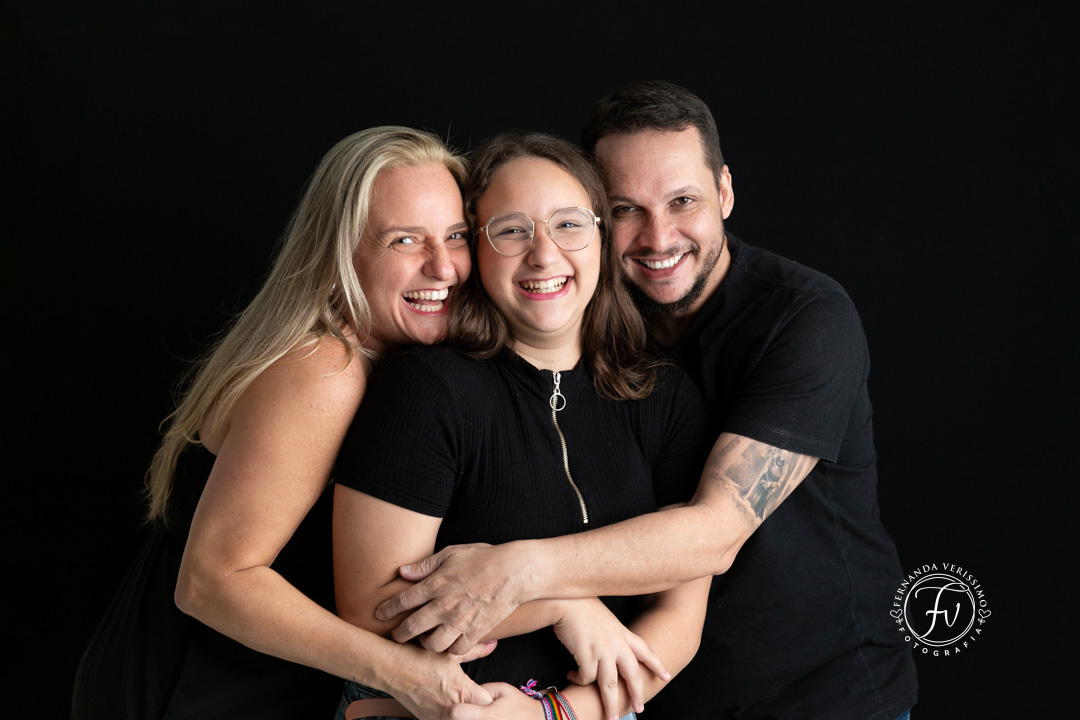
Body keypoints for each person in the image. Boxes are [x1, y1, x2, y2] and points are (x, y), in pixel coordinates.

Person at [371, 82, 919, 720]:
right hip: (651, 693)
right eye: (627, 209)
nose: (659, 237)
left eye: (683, 200)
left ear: (725, 192)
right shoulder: (587, 324)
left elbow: (715, 534)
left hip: (821, 693)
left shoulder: (802, 318)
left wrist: (516, 573)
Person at [71, 126, 498, 720]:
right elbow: (212, 581)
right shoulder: (324, 369)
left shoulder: (398, 366)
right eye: (404, 240)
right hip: (191, 692)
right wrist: (406, 675)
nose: (444, 267)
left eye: (455, 237)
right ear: (340, 253)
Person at [331, 132, 714, 720]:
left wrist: (552, 714)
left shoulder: (663, 397)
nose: (543, 254)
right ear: (475, 249)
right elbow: (368, 609)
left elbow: (679, 619)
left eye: (569, 225)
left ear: (601, 238)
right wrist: (563, 605)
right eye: (511, 231)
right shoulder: (427, 387)